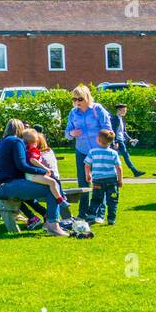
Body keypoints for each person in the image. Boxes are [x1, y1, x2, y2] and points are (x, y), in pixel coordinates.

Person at [0, 119, 70, 236]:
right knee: (52, 188)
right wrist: (42, 171)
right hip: (10, 186)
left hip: (2, 186)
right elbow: (22, 165)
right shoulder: (16, 142)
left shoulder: (3, 142)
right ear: (20, 129)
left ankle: (51, 221)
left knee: (52, 185)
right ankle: (53, 225)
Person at [64, 85, 113, 220]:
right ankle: (82, 213)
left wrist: (102, 139)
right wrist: (71, 133)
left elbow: (108, 129)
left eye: (80, 99)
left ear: (87, 97)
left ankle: (99, 213)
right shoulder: (73, 113)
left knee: (99, 181)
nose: (77, 102)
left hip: (98, 151)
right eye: (74, 99)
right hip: (82, 151)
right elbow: (67, 133)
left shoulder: (97, 109)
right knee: (83, 182)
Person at [84, 128, 123, 225]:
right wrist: (120, 180)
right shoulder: (113, 153)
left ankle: (91, 216)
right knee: (112, 200)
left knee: (96, 199)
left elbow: (87, 165)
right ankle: (111, 219)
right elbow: (119, 167)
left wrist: (88, 174)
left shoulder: (93, 152)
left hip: (98, 180)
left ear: (98, 140)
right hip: (112, 180)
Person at [22, 128, 68, 207]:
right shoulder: (33, 150)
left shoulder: (25, 149)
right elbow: (33, 160)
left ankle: (62, 197)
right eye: (35, 141)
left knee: (53, 180)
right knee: (52, 182)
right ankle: (60, 200)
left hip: (32, 174)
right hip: (32, 175)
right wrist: (45, 168)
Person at [110, 104, 144, 177]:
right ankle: (135, 172)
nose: (125, 112)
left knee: (117, 157)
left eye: (125, 110)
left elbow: (124, 132)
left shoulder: (122, 119)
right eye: (124, 110)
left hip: (121, 140)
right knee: (125, 156)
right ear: (119, 110)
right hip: (118, 141)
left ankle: (134, 172)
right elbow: (113, 131)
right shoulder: (114, 119)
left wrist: (130, 139)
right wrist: (114, 142)